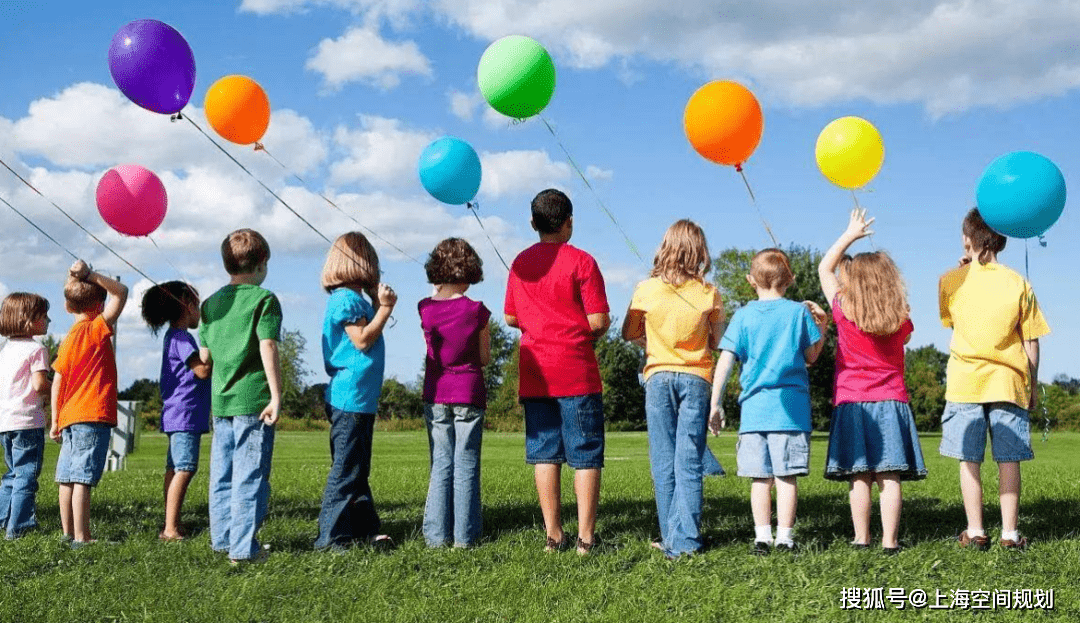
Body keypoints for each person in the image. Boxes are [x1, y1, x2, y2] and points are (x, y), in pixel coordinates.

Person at [505, 188, 610, 555]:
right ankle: (586, 540)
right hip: (576, 371)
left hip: (536, 374)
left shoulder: (519, 263)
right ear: (569, 223)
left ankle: (553, 537)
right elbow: (598, 320)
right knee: (585, 454)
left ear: (533, 223)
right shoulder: (583, 261)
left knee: (544, 454)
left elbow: (511, 316)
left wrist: (539, 323)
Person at [938, 208, 1049, 550]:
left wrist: (963, 271)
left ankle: (975, 531)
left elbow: (957, 325)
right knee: (1008, 459)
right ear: (1002, 240)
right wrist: (1030, 383)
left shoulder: (950, 281)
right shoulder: (1018, 282)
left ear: (966, 240)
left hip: (965, 382)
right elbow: (1031, 341)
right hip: (1009, 381)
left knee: (969, 459)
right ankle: (1010, 535)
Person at [818, 209, 926, 554]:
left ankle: (862, 538)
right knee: (889, 477)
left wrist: (850, 233)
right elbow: (905, 339)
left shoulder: (842, 307)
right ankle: (890, 542)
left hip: (852, 403)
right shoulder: (900, 314)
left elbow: (824, 267)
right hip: (892, 401)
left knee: (859, 476)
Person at [709, 249, 826, 555]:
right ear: (791, 279)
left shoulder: (744, 315)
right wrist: (822, 328)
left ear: (751, 280)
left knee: (760, 479)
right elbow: (812, 357)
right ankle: (785, 538)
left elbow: (725, 360)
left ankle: (762, 537)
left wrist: (715, 402)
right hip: (792, 412)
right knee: (786, 478)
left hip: (754, 412)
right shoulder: (799, 313)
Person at [622, 219, 723, 558]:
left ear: (665, 247)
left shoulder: (645, 289)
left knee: (664, 461)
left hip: (658, 378)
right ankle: (686, 541)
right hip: (697, 379)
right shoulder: (709, 293)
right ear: (699, 252)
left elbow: (629, 333)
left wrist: (651, 342)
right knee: (689, 462)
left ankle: (672, 539)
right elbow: (718, 341)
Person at [199, 229, 283, 564]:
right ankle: (243, 550)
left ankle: (223, 540)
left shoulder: (210, 305)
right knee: (249, 476)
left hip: (220, 402)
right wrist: (276, 394)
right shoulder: (265, 300)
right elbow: (268, 345)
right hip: (253, 401)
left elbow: (204, 360)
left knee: (222, 474)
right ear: (262, 263)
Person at [316, 232, 395, 551]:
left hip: (358, 398)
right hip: (351, 398)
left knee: (357, 469)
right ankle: (331, 538)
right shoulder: (347, 300)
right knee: (347, 470)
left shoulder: (352, 299)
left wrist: (376, 304)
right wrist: (386, 309)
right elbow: (362, 339)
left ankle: (364, 528)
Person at [419, 238, 491, 548]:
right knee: (466, 463)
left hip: (436, 393)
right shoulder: (477, 311)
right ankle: (465, 536)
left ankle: (436, 537)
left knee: (441, 463)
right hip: (469, 391)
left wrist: (437, 294)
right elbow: (484, 358)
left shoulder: (424, 308)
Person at [52, 260, 128, 547]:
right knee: (83, 477)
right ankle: (83, 538)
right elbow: (121, 291)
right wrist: (89, 275)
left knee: (67, 478)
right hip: (92, 415)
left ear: (67, 306)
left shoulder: (68, 339)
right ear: (99, 303)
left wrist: (55, 420)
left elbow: (58, 380)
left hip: (70, 417)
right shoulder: (97, 327)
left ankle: (68, 534)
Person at [141, 281, 211, 542]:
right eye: (198, 305)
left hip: (178, 413)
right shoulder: (182, 338)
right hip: (185, 413)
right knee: (185, 468)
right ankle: (170, 528)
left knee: (174, 468)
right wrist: (213, 339)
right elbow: (202, 370)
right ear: (188, 305)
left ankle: (172, 523)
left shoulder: (174, 336)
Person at [0, 292, 52, 539]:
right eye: (45, 316)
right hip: (27, 421)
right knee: (27, 475)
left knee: (12, 473)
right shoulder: (36, 349)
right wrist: (61, 388)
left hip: (5, 421)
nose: (49, 321)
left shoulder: (5, 349)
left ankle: (2, 519)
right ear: (30, 320)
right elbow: (40, 384)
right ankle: (20, 526)